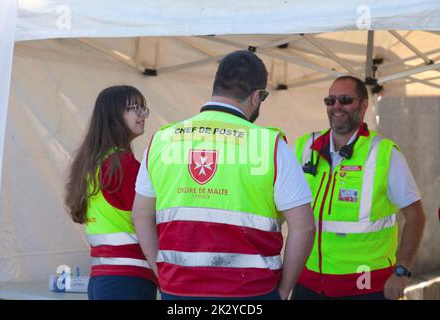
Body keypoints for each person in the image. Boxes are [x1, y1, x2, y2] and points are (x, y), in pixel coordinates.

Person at [131, 50, 315, 300]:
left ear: (216, 86)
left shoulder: (163, 140)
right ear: (256, 97)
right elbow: (304, 227)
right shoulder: (270, 145)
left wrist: (162, 272)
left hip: (179, 292)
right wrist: (282, 292)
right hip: (251, 294)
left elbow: (141, 214)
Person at [291, 76, 426, 300]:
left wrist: (401, 272)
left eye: (345, 100)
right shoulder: (305, 147)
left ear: (364, 105)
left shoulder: (383, 152)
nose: (336, 106)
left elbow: (416, 216)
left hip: (366, 286)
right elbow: (284, 207)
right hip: (309, 282)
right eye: (330, 100)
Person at [65, 85, 157, 300]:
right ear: (114, 114)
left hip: (101, 278)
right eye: (135, 108)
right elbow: (152, 216)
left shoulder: (93, 163)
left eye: (144, 108)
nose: (143, 114)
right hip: (129, 279)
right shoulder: (122, 165)